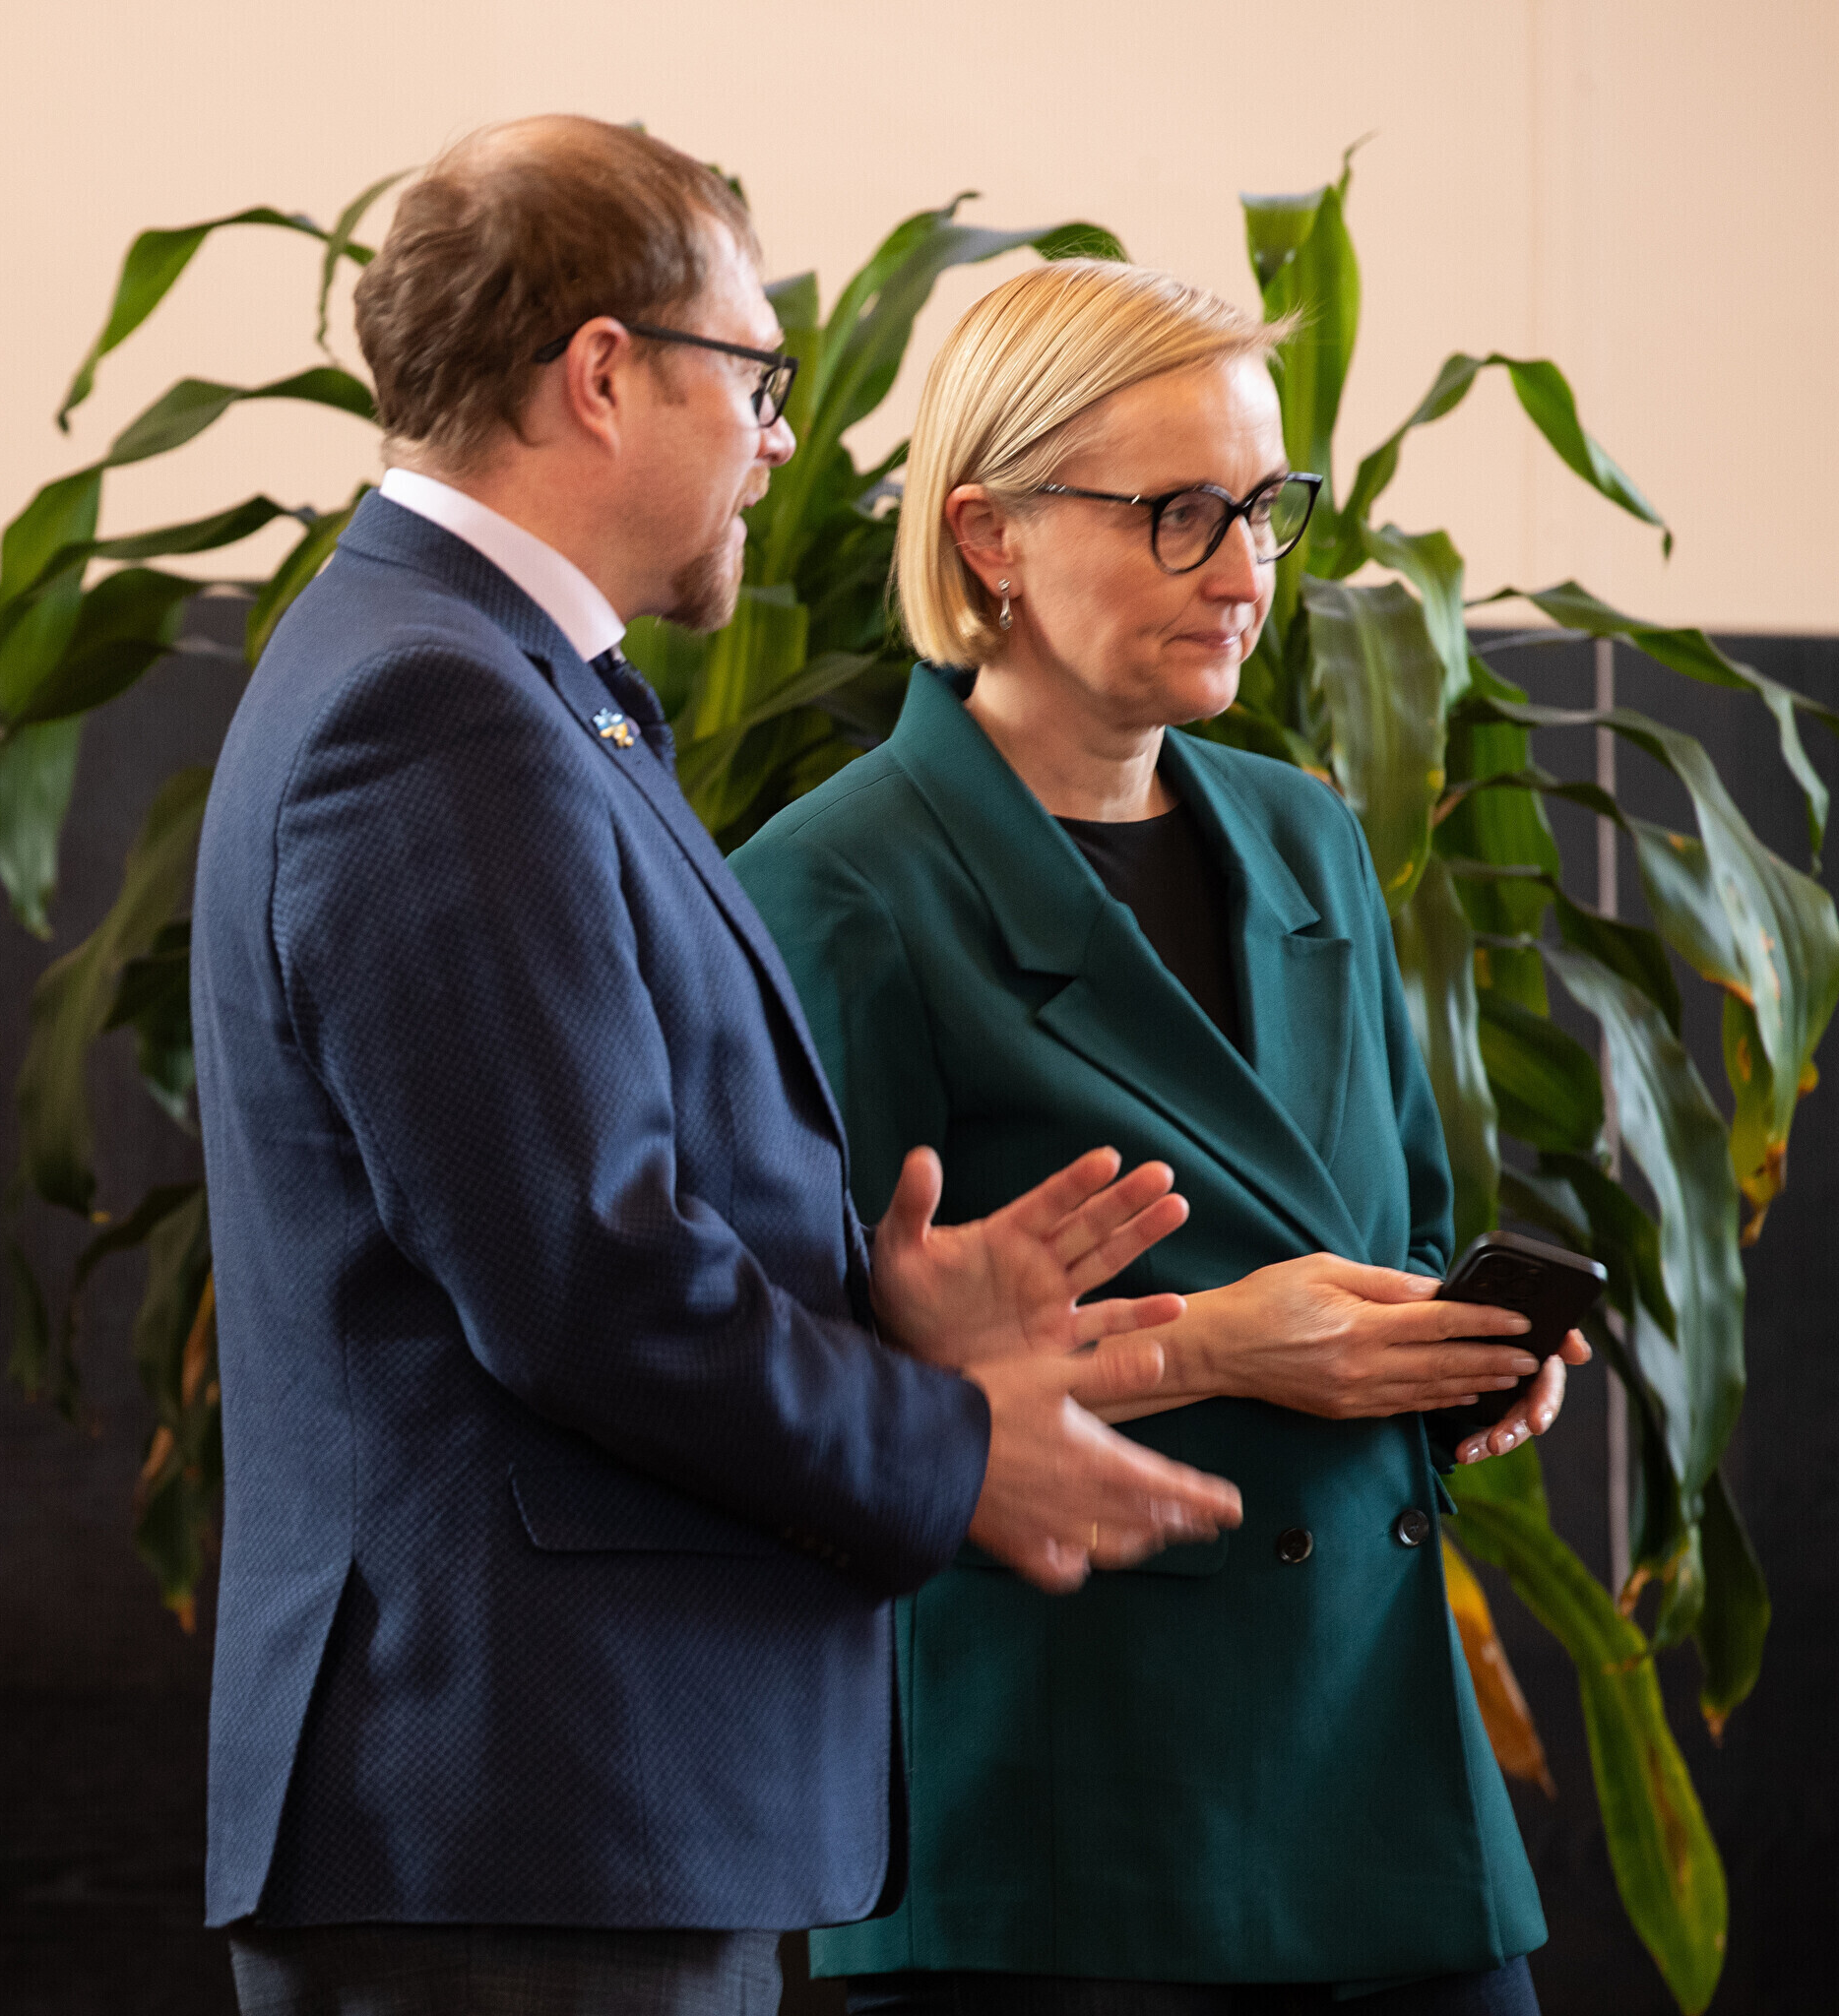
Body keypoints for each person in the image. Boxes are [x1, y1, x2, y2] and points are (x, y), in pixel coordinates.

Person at [190, 117, 1245, 2016]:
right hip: (525, 1817)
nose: (776, 440)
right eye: (754, 379)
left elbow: (551, 1211)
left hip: (570, 1811)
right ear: (602, 374)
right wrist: (951, 1446)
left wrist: (879, 1309)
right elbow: (581, 1280)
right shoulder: (435, 706)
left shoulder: (496, 679)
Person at [729, 260, 1592, 2015]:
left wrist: (1452, 1359)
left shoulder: (1307, 836)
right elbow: (790, 1399)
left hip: (1384, 1792)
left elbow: (1401, 1227)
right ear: (989, 535)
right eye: (1178, 514)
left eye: (1264, 507)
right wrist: (1216, 1345)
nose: (1247, 572)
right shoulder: (834, 887)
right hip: (1068, 1816)